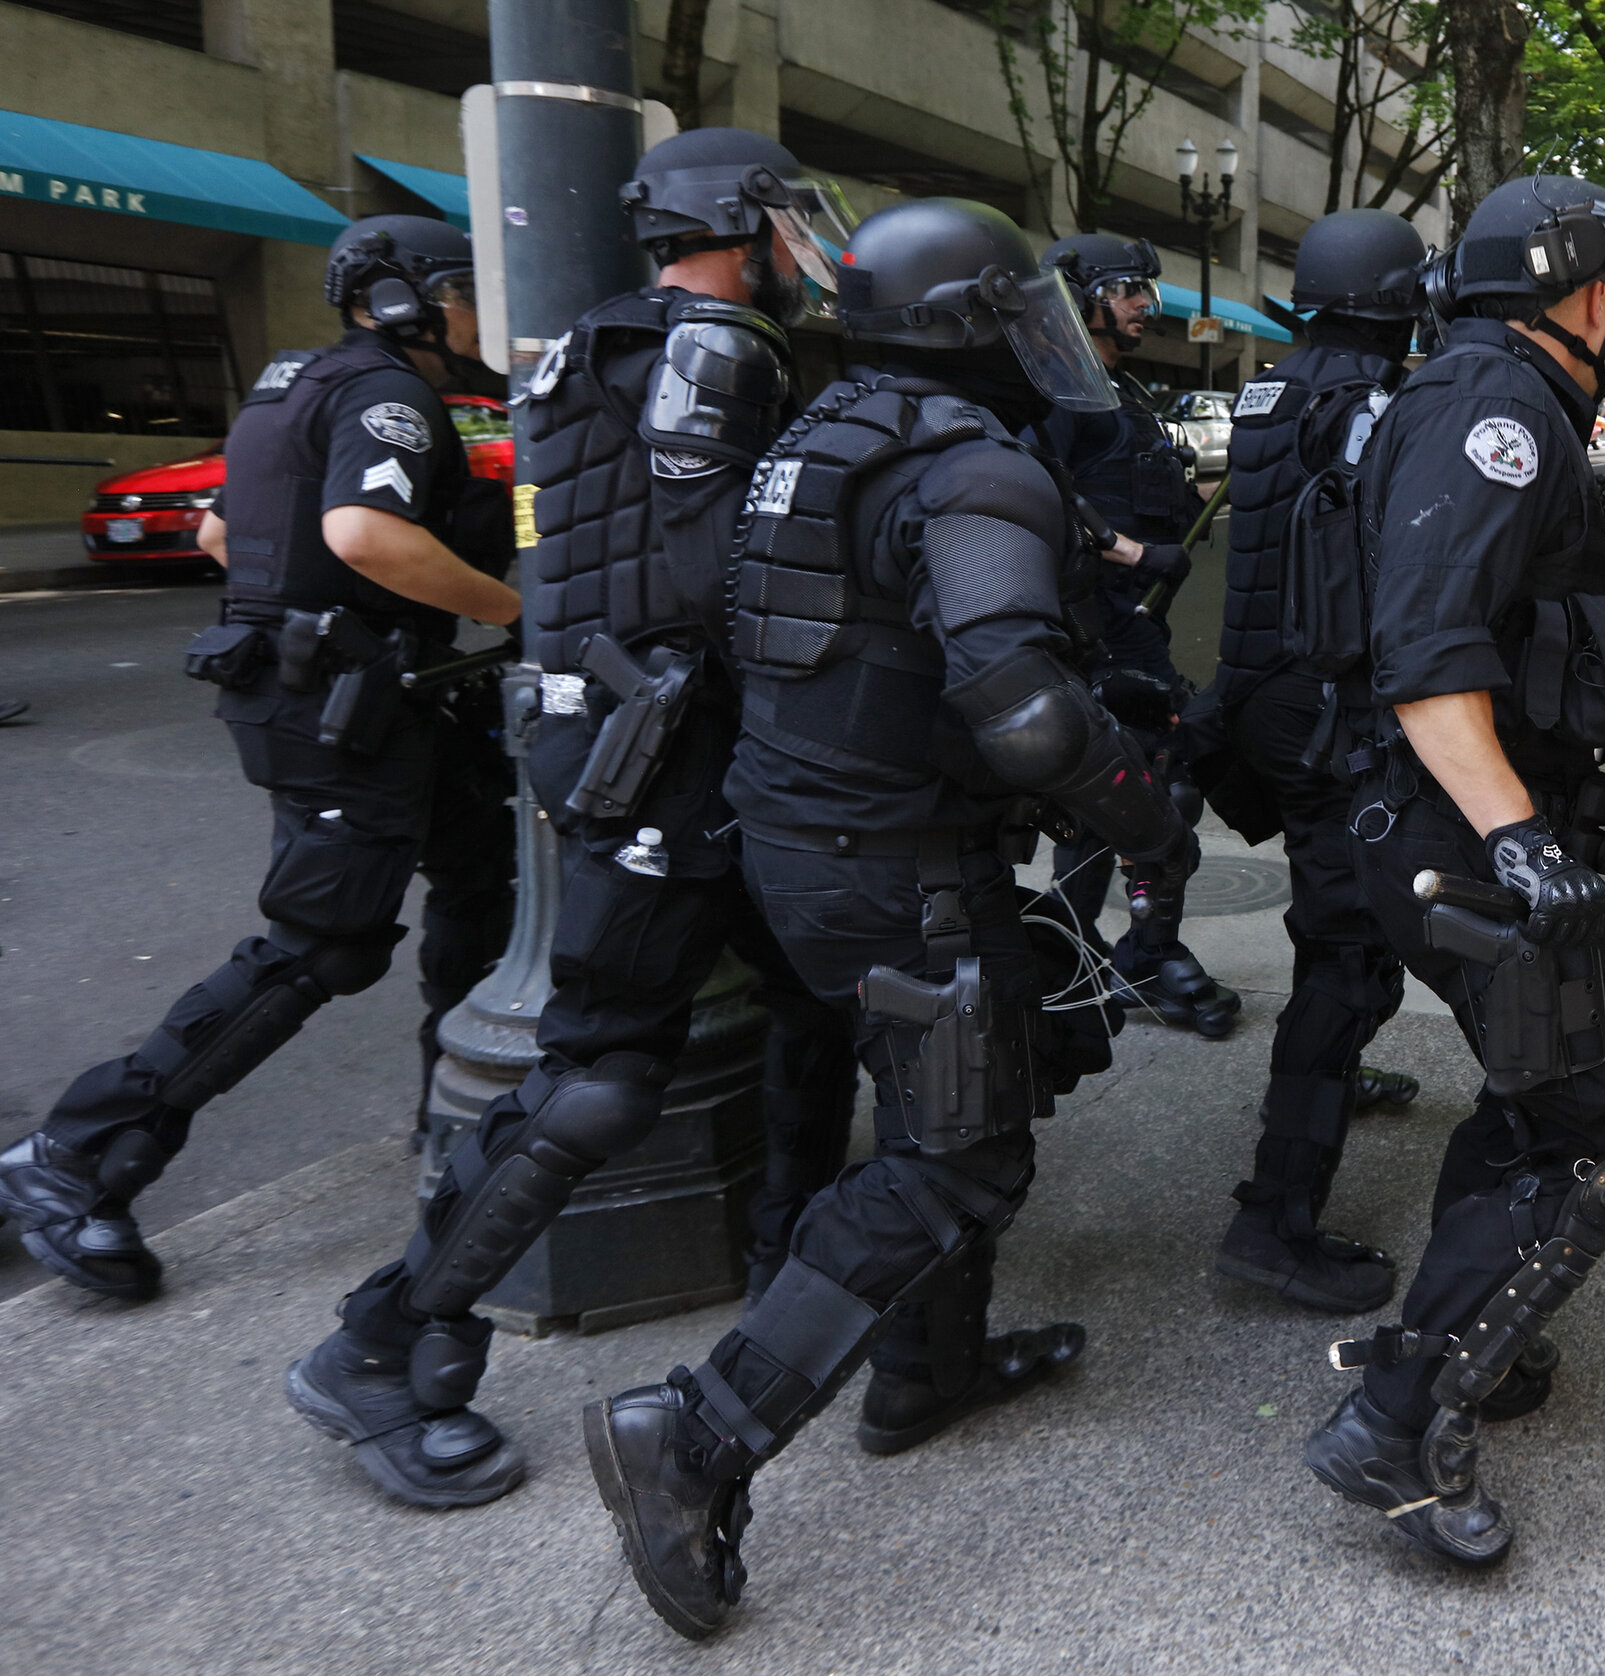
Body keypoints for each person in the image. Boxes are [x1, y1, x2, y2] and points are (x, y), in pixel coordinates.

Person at [582, 197, 1191, 1638]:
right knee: (956, 1161)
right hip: (896, 868)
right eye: (1019, 312)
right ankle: (696, 1435)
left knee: (951, 1110)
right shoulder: (973, 469)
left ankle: (928, 1368)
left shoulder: (820, 434)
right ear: (970, 327)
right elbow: (1027, 715)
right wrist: (1152, 822)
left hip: (807, 846)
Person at [284, 131, 860, 1511]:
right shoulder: (719, 350)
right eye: (790, 227)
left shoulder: (583, 345)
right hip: (661, 755)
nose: (804, 254)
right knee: (601, 1067)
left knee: (809, 999)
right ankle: (387, 1339)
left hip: (618, 734)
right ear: (740, 228)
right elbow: (728, 573)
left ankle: (786, 1258)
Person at [0, 216, 521, 1300]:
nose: (479, 308)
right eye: (464, 287)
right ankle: (76, 1155)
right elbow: (365, 536)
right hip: (338, 699)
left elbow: (219, 534)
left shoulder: (293, 384)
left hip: (348, 687)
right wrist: (516, 610)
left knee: (483, 877)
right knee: (322, 942)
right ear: (402, 300)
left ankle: (454, 1128)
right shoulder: (392, 394)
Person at [1299, 175, 1605, 1569]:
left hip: (1458, 827)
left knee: (1536, 1101)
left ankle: (1459, 1343)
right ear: (1588, 296)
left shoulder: (1472, 393)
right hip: (1467, 840)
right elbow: (1430, 650)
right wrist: (1521, 842)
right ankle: (1398, 1423)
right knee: (1603, 1133)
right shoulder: (1497, 414)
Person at [1194, 208, 1424, 1315]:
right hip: (1337, 713)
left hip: (1262, 702)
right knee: (1346, 954)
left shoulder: (1267, 392)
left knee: (1332, 933)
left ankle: (1333, 1064)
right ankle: (1273, 1216)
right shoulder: (1377, 407)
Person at [1033, 233, 1239, 1041]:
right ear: (1079, 297)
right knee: (1103, 802)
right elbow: (1032, 497)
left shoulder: (1119, 393)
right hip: (1093, 635)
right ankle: (1068, 960)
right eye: (1128, 291)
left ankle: (1143, 953)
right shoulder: (1059, 394)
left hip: (1137, 635)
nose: (1146, 308)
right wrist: (1123, 550)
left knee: (1163, 789)